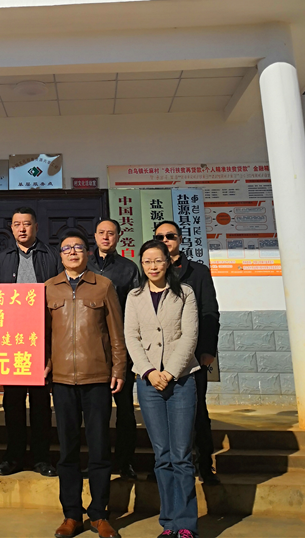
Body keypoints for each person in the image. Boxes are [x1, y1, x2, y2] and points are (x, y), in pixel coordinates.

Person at [46, 228, 126, 538]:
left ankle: (99, 515)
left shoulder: (103, 286)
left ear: (88, 252)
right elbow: (42, 335)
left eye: (78, 247)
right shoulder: (48, 288)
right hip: (62, 380)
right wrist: (44, 365)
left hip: (97, 378)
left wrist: (119, 368)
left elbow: (116, 332)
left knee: (99, 449)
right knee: (67, 451)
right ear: (60, 255)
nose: (73, 252)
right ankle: (71, 515)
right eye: (67, 248)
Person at [124, 239, 200, 538]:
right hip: (148, 383)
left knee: (181, 455)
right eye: (147, 261)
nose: (153, 266)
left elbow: (190, 336)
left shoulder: (185, 293)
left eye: (158, 260)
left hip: (181, 381)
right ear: (141, 265)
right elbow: (131, 336)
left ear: (168, 262)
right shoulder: (134, 296)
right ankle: (168, 523)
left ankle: (186, 525)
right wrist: (148, 371)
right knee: (162, 455)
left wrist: (169, 372)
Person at [0, 206, 60, 477]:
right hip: (11, 341)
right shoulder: (2, 258)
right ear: (11, 228)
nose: (22, 228)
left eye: (27, 224)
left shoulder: (51, 256)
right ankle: (13, 456)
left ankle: (42, 457)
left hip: (41, 339)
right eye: (17, 224)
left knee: (41, 403)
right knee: (13, 402)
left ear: (36, 227)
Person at [154, 220, 221, 485]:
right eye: (160, 237)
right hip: (160, 356)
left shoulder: (198, 272)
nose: (165, 240)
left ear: (180, 239)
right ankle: (166, 467)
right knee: (161, 414)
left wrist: (208, 349)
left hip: (193, 357)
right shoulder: (151, 270)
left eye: (170, 236)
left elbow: (209, 312)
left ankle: (204, 464)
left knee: (197, 411)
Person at [87, 218, 140, 479]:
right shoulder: (83, 265)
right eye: (101, 233)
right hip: (91, 348)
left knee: (125, 410)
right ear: (95, 236)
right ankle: (98, 461)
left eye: (110, 233)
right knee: (96, 411)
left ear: (118, 236)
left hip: (121, 347)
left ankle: (125, 461)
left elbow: (136, 309)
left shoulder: (128, 268)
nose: (105, 237)